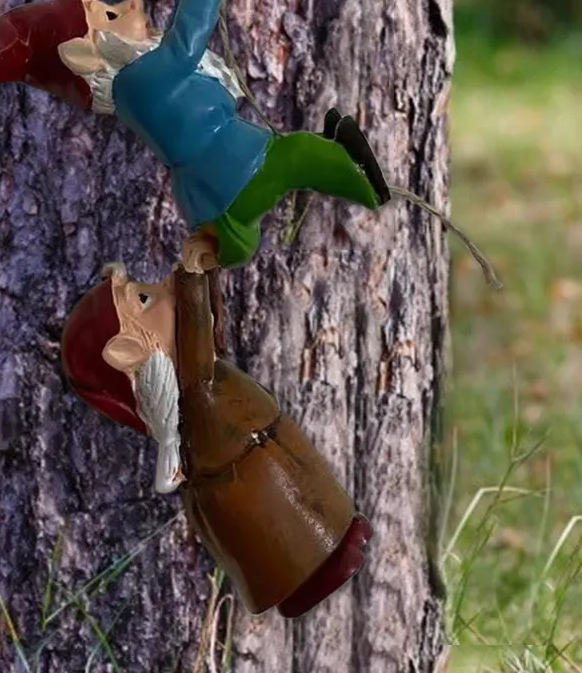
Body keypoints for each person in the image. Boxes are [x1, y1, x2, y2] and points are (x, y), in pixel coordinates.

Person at [0, 0, 389, 268]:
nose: (133, 2)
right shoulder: (135, 80)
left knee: (284, 172)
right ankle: (366, 184)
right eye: (112, 14)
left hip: (217, 180)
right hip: (229, 170)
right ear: (84, 54)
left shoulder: (133, 83)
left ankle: (258, 222)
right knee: (297, 154)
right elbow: (185, 45)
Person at [60, 261, 372, 618]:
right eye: (144, 299)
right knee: (286, 534)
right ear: (127, 351)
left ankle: (336, 537)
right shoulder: (195, 389)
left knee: (309, 504)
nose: (161, 288)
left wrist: (205, 273)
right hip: (253, 479)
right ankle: (306, 573)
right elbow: (193, 323)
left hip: (266, 450)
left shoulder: (200, 374)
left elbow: (209, 329)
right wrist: (190, 272)